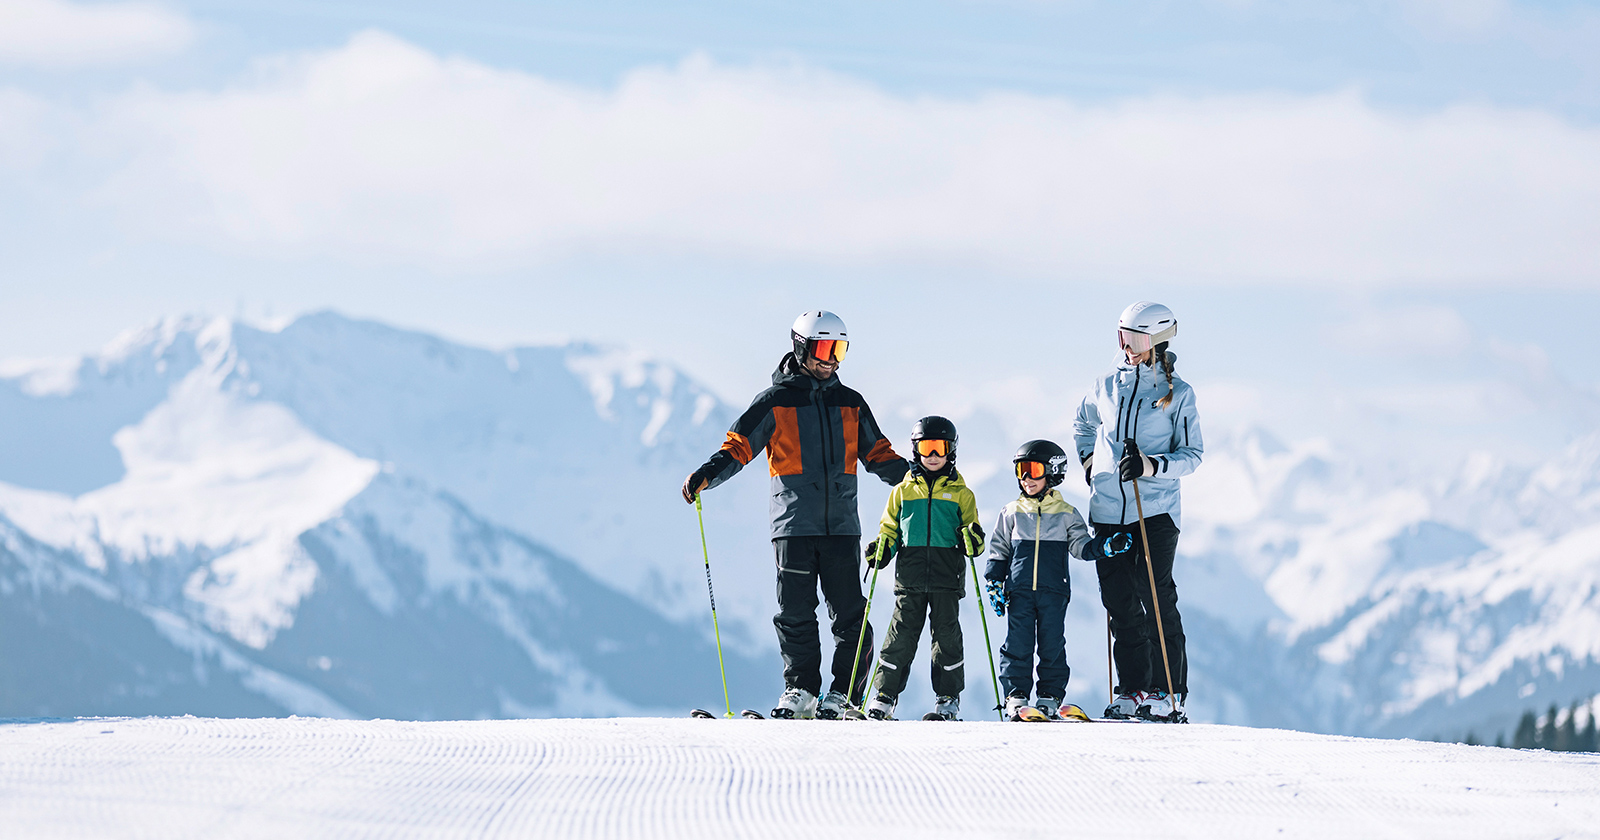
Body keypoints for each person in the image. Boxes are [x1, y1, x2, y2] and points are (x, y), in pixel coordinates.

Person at [681, 310, 909, 720]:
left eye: (840, 349)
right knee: (795, 612)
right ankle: (801, 688)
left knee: (850, 614)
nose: (832, 358)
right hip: (793, 526)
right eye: (825, 348)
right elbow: (738, 448)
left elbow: (878, 454)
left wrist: (916, 480)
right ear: (801, 347)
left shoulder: (851, 403)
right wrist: (707, 476)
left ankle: (844, 694)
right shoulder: (776, 401)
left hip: (841, 527)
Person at [1072, 301, 1204, 723]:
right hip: (1109, 509)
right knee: (1120, 602)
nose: (1128, 347)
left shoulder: (1177, 394)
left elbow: (1194, 455)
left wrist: (1151, 466)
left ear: (1159, 341)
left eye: (1137, 339)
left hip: (1157, 510)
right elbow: (1082, 423)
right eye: (1123, 337)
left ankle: (1169, 692)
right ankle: (1132, 689)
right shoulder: (1106, 385)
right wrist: (1092, 467)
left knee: (1155, 595)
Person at [984, 439, 1131, 721]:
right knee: (1017, 644)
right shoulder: (1011, 512)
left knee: (1052, 645)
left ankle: (1049, 696)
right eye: (1021, 470)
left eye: (1033, 470)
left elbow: (1081, 547)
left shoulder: (1066, 514)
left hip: (1053, 591)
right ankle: (1016, 696)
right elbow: (999, 549)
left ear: (1052, 472)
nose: (1026, 478)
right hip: (1020, 591)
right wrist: (994, 581)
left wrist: (1106, 547)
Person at [859, 416, 983, 721]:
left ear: (951, 450)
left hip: (946, 579)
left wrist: (972, 538)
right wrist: (882, 550)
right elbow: (890, 529)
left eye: (939, 448)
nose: (933, 456)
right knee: (899, 638)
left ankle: (948, 698)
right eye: (926, 448)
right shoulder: (903, 492)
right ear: (916, 450)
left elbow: (974, 537)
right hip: (910, 579)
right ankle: (884, 697)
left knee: (947, 640)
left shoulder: (961, 494)